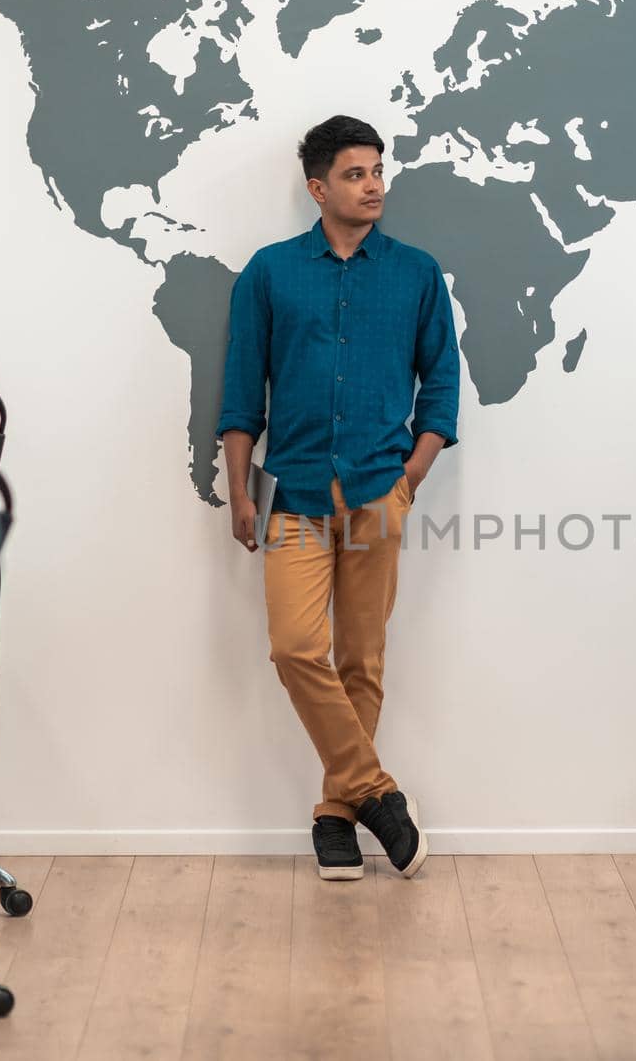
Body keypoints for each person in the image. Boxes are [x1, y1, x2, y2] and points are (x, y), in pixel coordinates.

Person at [217, 115, 459, 881]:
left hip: (377, 492)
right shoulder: (269, 272)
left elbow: (442, 384)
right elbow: (239, 389)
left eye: (379, 170)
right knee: (295, 648)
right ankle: (375, 790)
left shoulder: (416, 272)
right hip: (293, 496)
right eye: (356, 174)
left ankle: (334, 813)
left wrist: (409, 476)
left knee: (362, 659)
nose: (374, 184)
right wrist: (238, 486)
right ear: (318, 188)